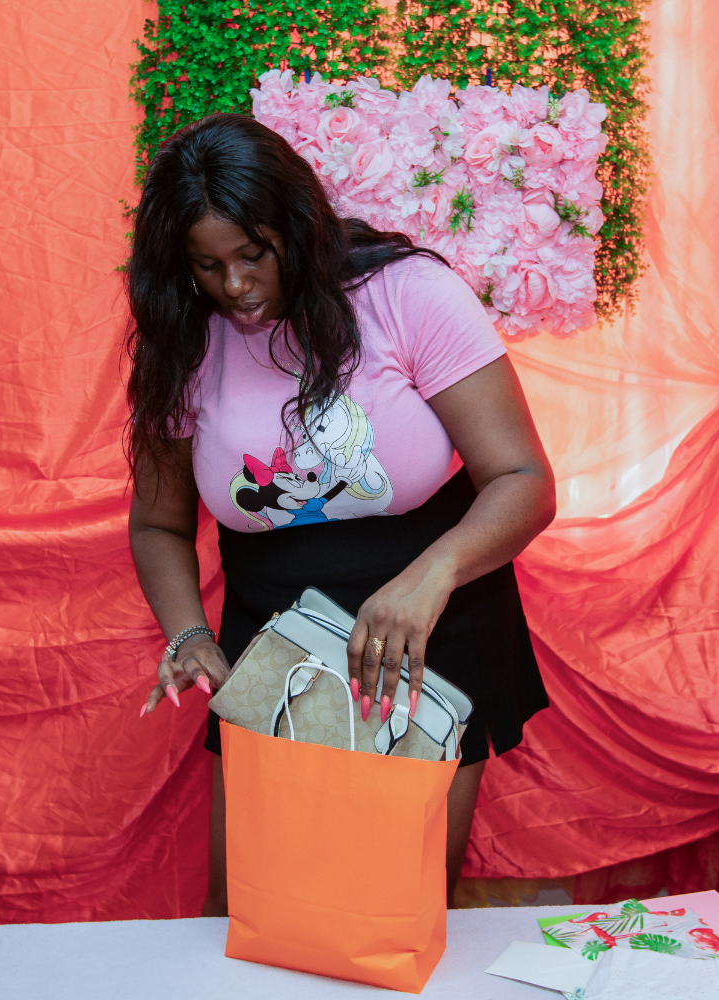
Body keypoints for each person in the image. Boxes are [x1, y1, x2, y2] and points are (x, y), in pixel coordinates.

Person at [127, 113, 554, 915]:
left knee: (393, 913)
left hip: (434, 630)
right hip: (272, 645)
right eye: (207, 266)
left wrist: (431, 577)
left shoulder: (407, 294)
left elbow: (524, 479)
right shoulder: (184, 339)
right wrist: (188, 636)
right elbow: (157, 525)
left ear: (296, 224)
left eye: (253, 254)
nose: (237, 286)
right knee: (262, 913)